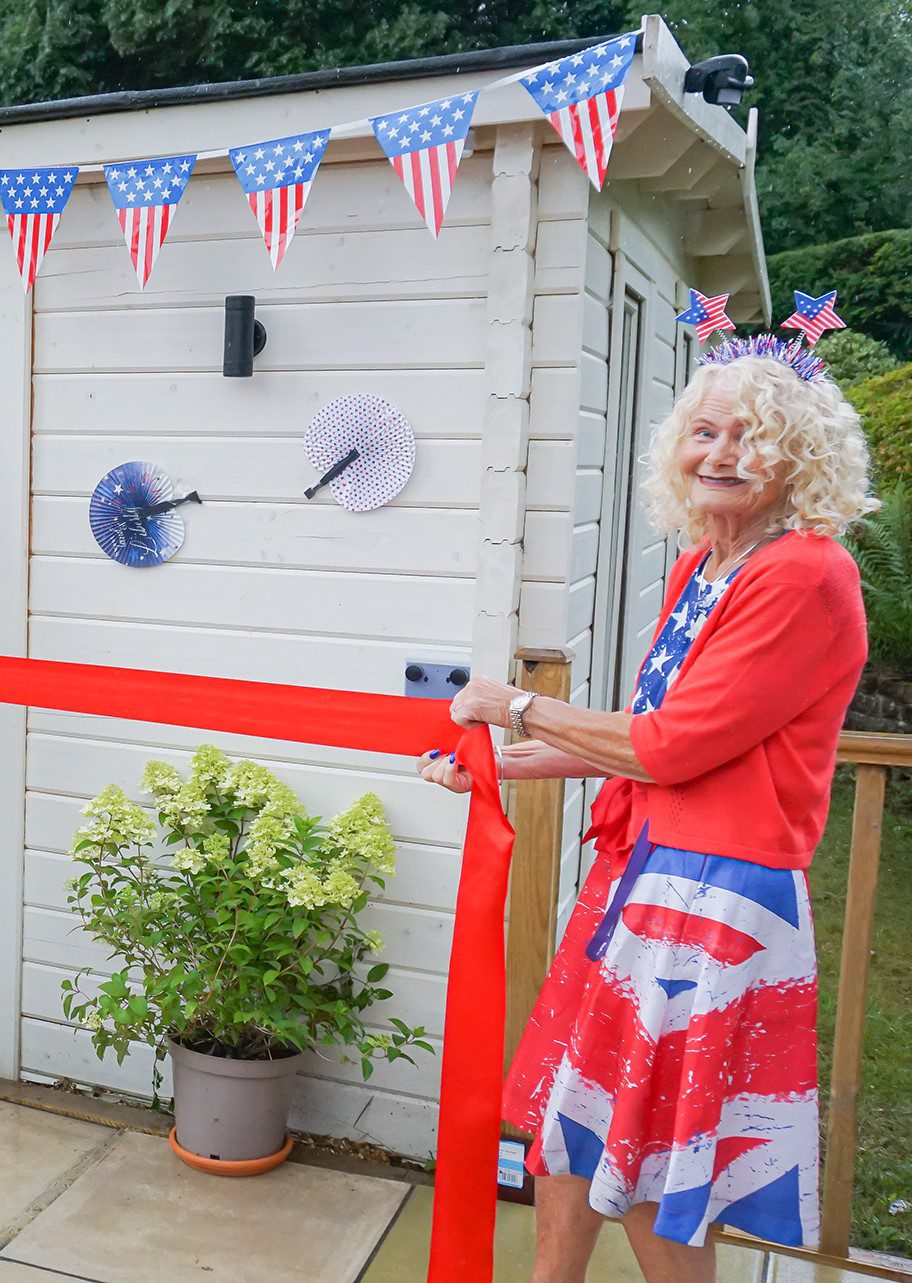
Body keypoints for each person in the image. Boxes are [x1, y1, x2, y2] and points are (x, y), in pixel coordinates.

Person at [419, 338, 872, 1283]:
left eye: (752, 437)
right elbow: (657, 744)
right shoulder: (705, 564)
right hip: (647, 865)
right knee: (571, 1111)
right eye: (704, 432)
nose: (721, 453)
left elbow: (670, 746)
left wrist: (513, 704)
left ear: (801, 456)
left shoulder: (804, 573)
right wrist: (508, 763)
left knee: (663, 1155)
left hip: (718, 897)